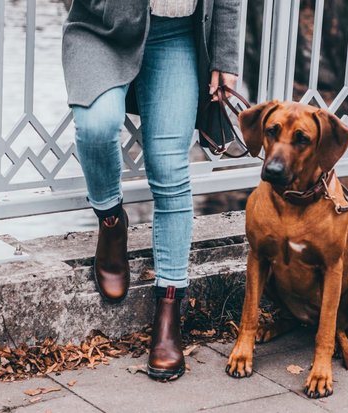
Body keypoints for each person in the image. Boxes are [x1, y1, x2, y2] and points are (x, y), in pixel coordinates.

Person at [61, 0, 241, 380]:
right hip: (103, 30)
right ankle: (111, 221)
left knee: (170, 166)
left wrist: (225, 57)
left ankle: (168, 313)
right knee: (96, 126)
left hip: (177, 36)